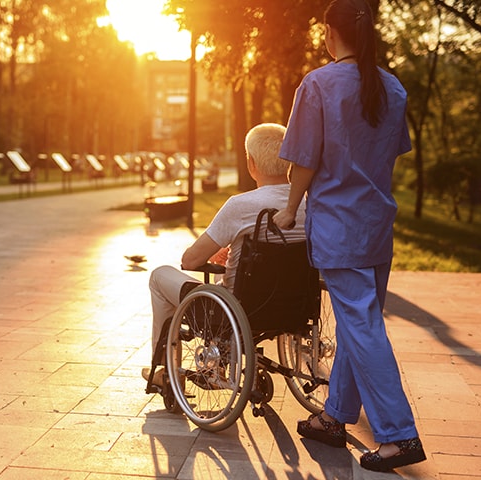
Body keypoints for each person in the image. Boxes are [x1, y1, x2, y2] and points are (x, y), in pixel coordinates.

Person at [272, 0, 426, 472]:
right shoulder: (392, 87)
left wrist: (289, 209)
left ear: (328, 32)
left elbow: (305, 160)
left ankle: (398, 435)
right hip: (377, 225)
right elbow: (390, 153)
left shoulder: (318, 84)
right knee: (361, 324)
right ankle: (335, 418)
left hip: (340, 227)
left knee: (361, 328)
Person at [142, 123, 306, 386]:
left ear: (251, 163)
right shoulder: (308, 204)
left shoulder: (240, 206)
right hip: (294, 307)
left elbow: (190, 260)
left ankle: (166, 371)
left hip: (235, 308)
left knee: (160, 276)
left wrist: (219, 251)